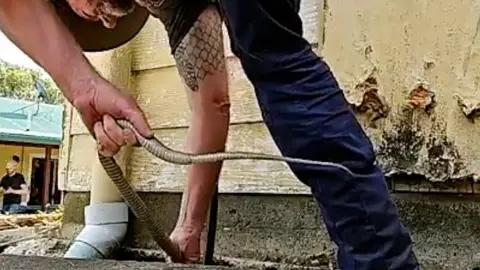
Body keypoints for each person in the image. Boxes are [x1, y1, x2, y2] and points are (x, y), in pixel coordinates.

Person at [0, 0, 420, 269]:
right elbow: (212, 102)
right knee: (277, 63)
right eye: (98, 18)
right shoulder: (175, 6)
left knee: (280, 67)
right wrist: (188, 228)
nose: (99, 18)